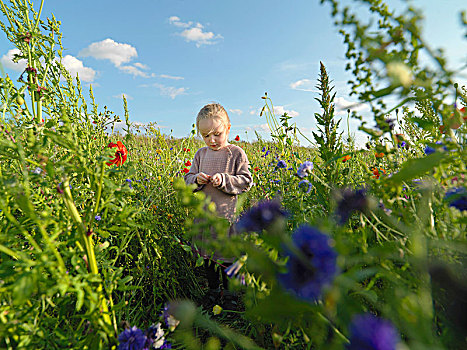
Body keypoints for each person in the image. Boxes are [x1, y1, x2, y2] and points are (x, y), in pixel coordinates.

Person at [184, 103, 252, 292]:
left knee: (227, 259)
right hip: (205, 219)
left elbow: (246, 181)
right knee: (207, 257)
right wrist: (196, 179)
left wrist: (224, 180)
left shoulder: (236, 153)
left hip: (227, 219)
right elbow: (187, 180)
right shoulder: (201, 154)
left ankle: (230, 296)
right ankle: (213, 291)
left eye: (217, 134)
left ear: (228, 128)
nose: (212, 140)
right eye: (205, 136)